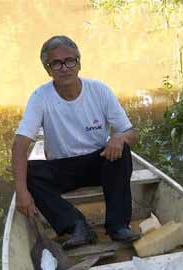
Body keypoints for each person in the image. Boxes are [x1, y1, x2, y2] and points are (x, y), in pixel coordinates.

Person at [12, 35, 142, 248]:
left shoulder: (99, 90)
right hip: (62, 168)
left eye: (69, 60)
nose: (64, 68)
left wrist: (119, 137)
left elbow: (131, 132)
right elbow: (19, 144)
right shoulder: (40, 97)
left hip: (99, 161)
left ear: (79, 63)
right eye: (56, 63)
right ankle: (76, 226)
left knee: (122, 152)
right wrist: (21, 190)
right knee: (29, 173)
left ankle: (118, 226)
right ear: (48, 69)